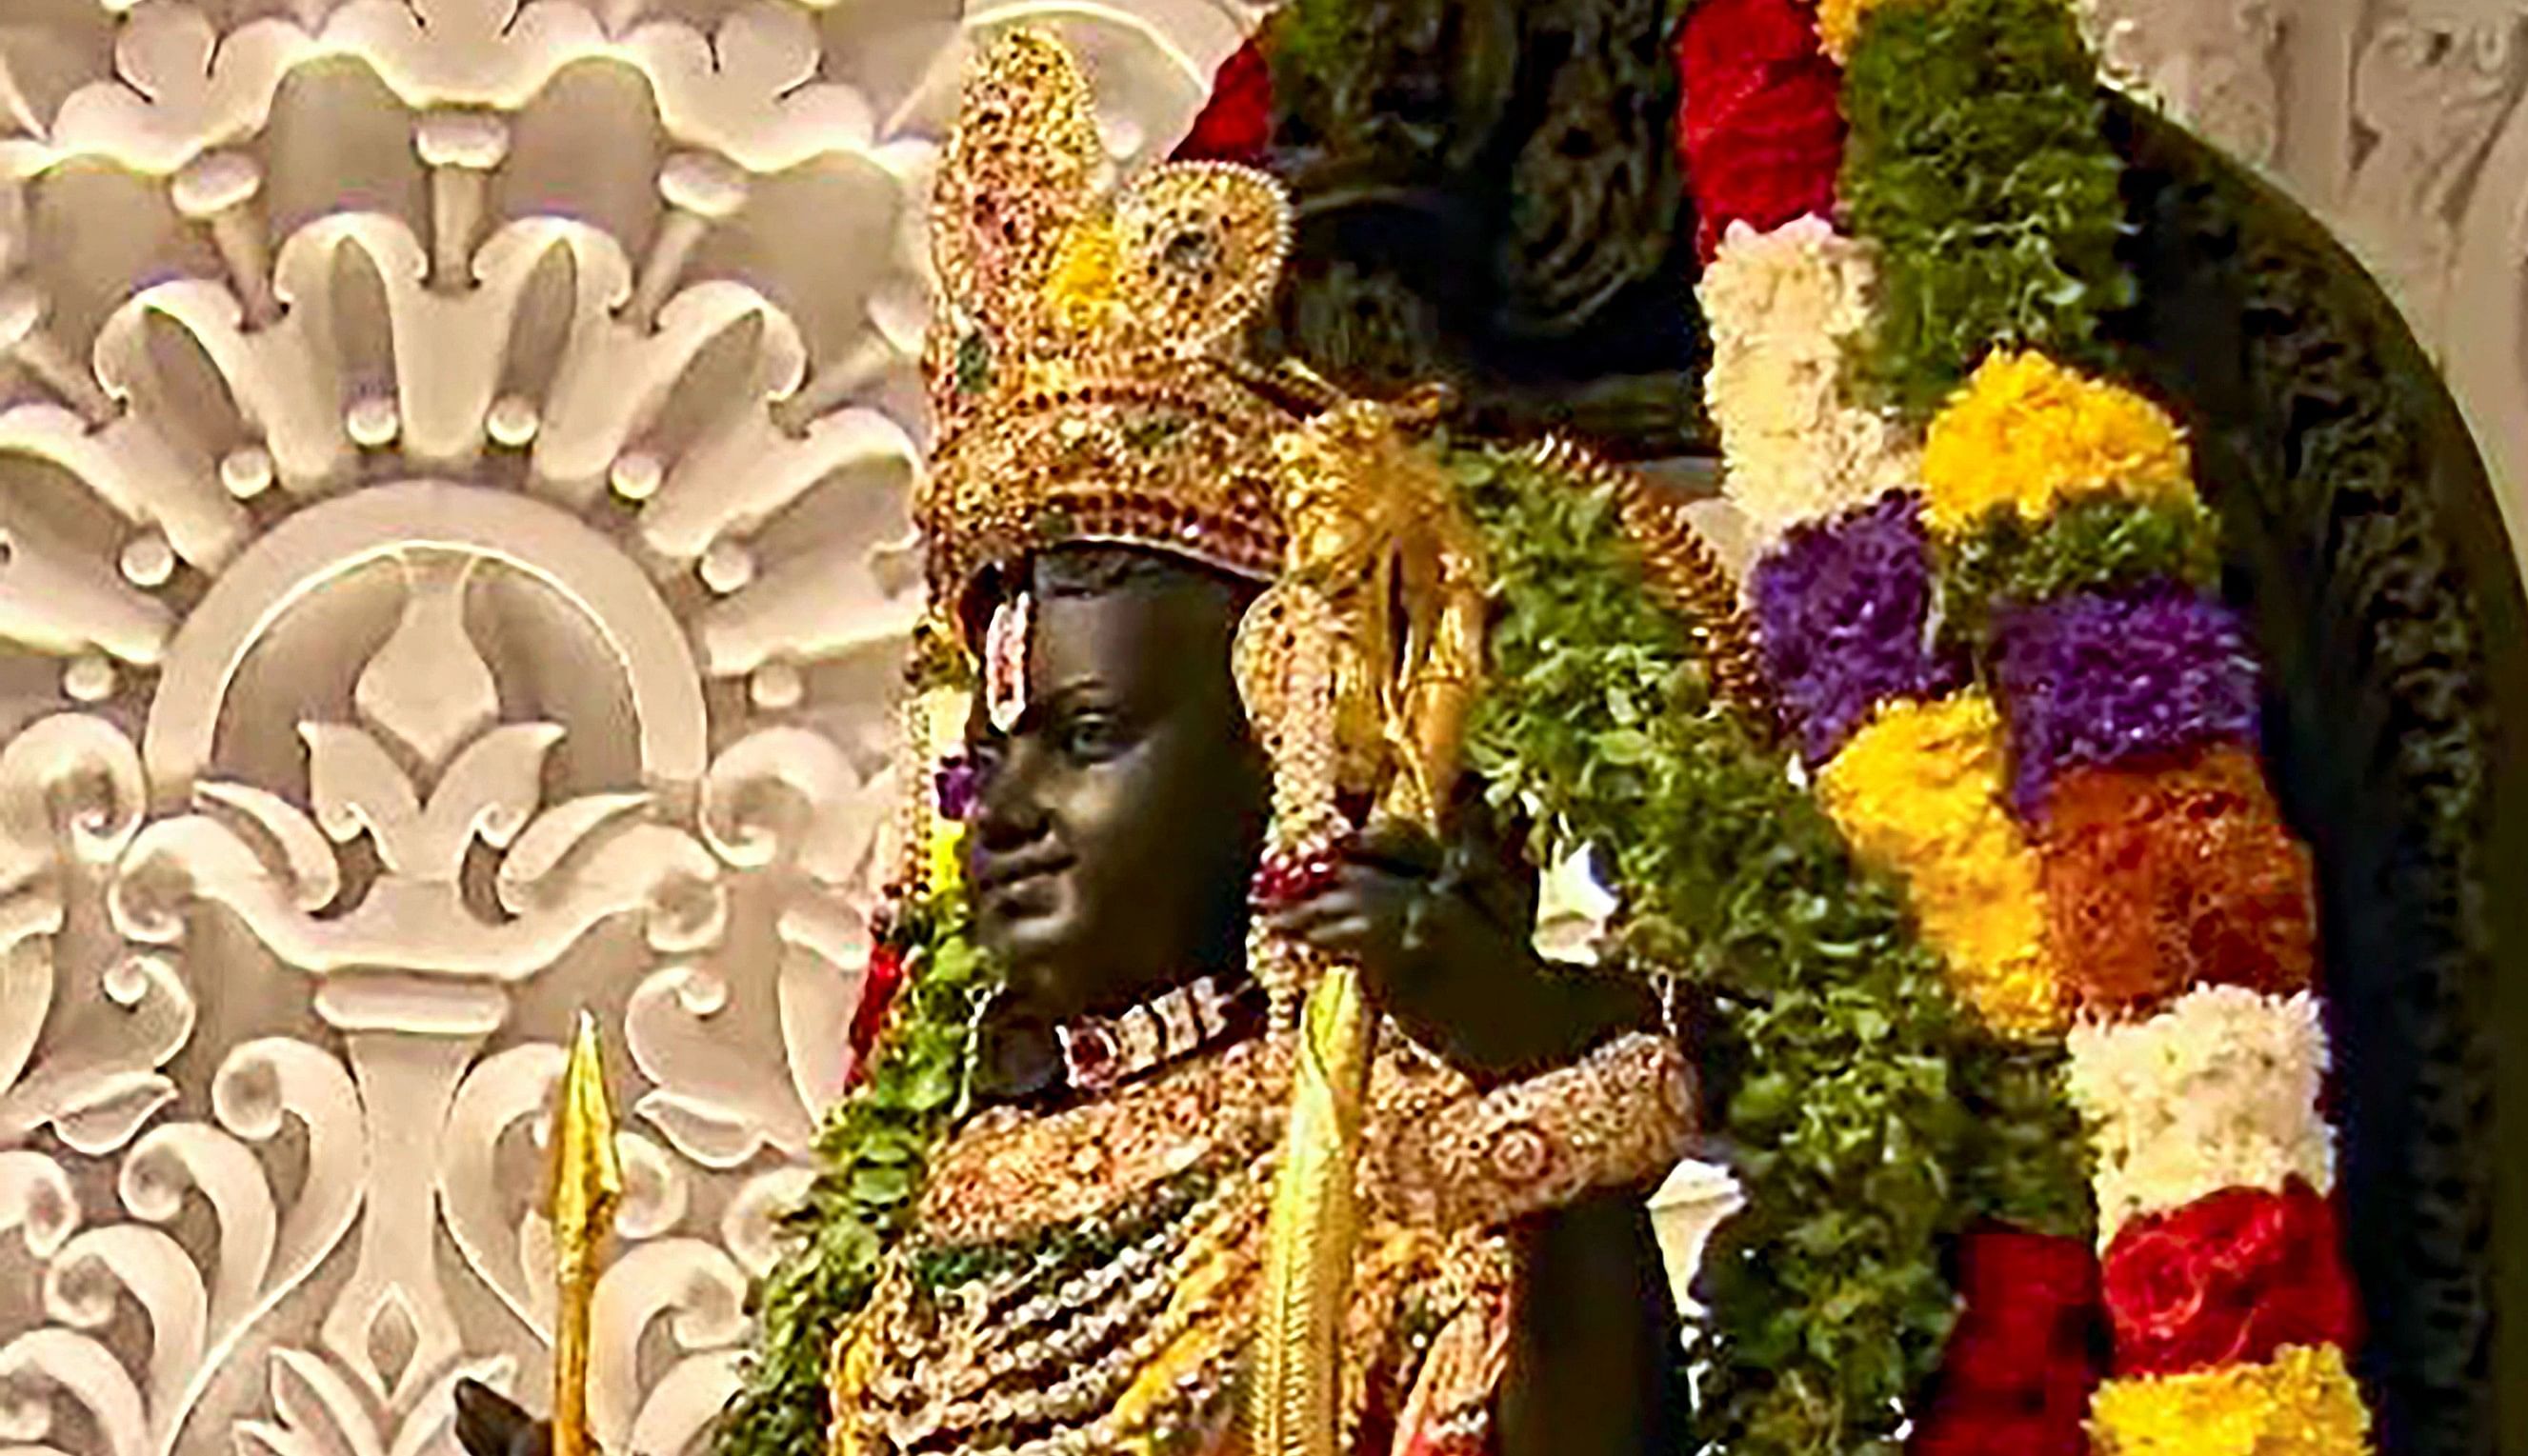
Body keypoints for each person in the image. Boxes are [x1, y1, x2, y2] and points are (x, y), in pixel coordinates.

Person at [460, 28, 1703, 1456]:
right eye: (985, 756)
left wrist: (1557, 1140)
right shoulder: (960, 1185)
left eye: (1086, 733)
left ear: (1285, 732)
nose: (1004, 809)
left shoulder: (1385, 1161)